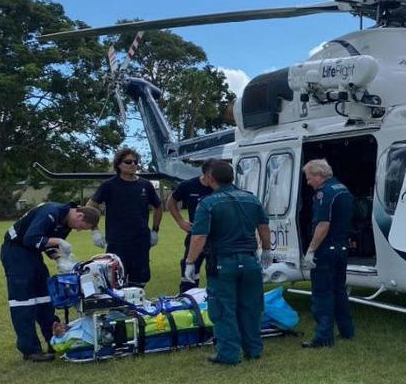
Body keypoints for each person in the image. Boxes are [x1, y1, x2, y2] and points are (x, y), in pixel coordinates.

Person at [185, 160, 272, 365]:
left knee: (223, 309)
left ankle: (228, 354)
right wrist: (266, 250)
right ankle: (254, 349)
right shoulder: (251, 199)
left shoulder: (207, 203)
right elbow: (263, 227)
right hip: (251, 261)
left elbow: (199, 237)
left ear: (209, 178)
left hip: (223, 263)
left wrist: (190, 262)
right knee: (251, 307)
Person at [0, 203, 100, 362]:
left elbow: (47, 244)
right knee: (23, 302)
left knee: (45, 298)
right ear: (80, 216)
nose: (79, 230)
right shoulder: (51, 212)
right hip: (16, 252)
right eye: (82, 226)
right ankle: (30, 350)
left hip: (32, 254)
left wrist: (60, 259)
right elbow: (31, 238)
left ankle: (54, 341)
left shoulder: (66, 223)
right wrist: (58, 240)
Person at [88, 148, 163, 287]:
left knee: (139, 281)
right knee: (115, 282)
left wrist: (155, 231)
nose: (133, 165)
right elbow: (91, 205)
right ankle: (118, 309)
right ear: (119, 164)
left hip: (141, 242)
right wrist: (95, 230)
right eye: (128, 162)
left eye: (136, 162)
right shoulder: (109, 185)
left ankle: (136, 308)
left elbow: (158, 207)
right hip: (117, 242)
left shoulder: (146, 185)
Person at [301, 159, 355, 348]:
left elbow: (323, 225)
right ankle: (347, 331)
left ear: (319, 175)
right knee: (339, 291)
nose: (308, 183)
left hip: (326, 250)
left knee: (322, 294)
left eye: (309, 178)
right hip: (341, 248)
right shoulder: (343, 189)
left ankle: (323, 337)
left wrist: (311, 250)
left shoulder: (323, 194)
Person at [166, 160, 213, 292]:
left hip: (217, 238)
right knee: (189, 277)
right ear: (207, 174)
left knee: (216, 276)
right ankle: (187, 304)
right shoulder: (188, 185)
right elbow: (171, 201)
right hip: (196, 236)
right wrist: (181, 221)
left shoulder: (220, 186)